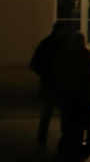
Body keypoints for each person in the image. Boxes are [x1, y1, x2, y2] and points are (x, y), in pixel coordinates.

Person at [30, 21, 73, 150]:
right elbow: (34, 63)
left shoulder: (62, 44)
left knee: (61, 113)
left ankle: (64, 139)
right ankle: (43, 141)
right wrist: (48, 73)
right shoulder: (50, 44)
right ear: (58, 31)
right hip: (51, 84)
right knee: (50, 113)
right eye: (65, 30)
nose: (67, 33)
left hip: (59, 84)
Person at [55, 31, 90, 157]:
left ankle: (68, 140)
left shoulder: (65, 54)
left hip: (69, 92)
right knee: (84, 117)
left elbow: (58, 72)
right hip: (82, 93)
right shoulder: (85, 54)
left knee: (68, 118)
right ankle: (85, 139)